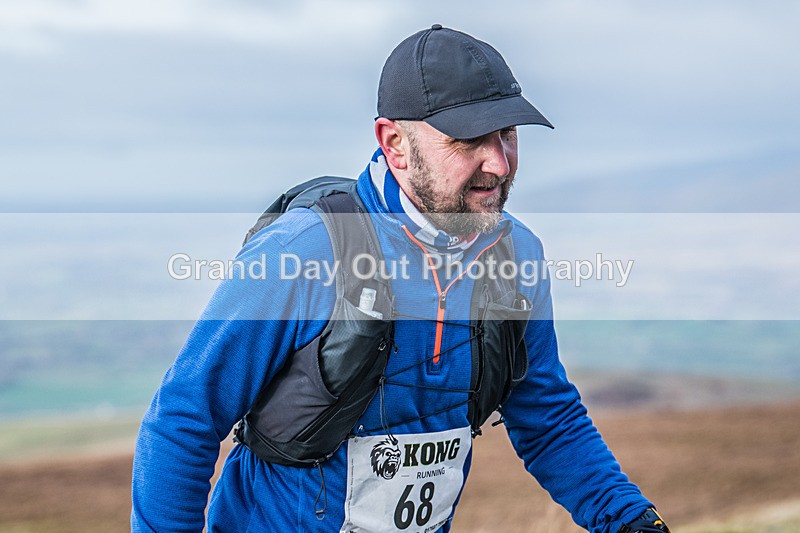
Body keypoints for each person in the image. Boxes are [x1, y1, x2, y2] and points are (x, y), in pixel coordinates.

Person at [132, 25, 670, 533]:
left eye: (507, 134)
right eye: (469, 141)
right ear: (394, 144)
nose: (500, 164)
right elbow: (184, 421)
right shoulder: (305, 251)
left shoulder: (515, 256)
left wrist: (628, 520)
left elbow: (547, 416)